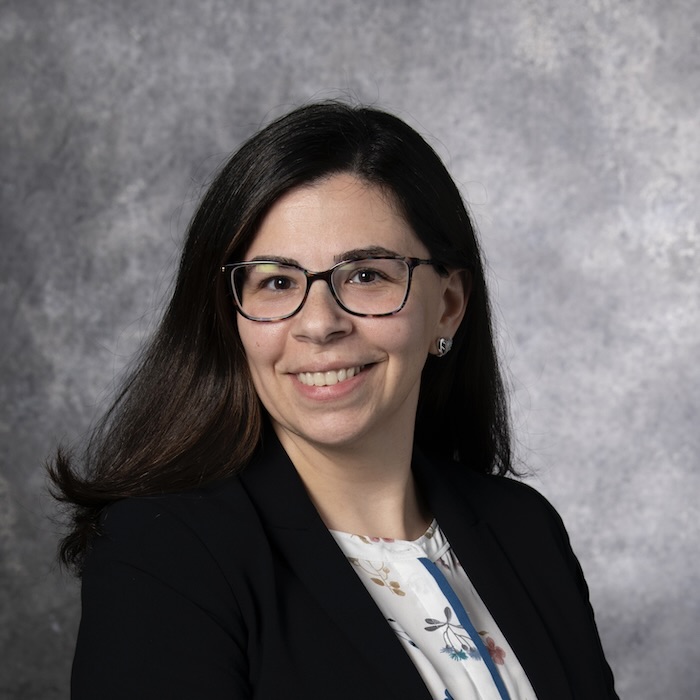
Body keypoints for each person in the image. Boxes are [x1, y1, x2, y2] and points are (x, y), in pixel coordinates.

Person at [50, 101, 618, 699]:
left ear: (448, 303)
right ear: (231, 316)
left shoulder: (525, 530)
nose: (319, 324)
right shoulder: (166, 553)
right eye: (276, 282)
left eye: (367, 275)